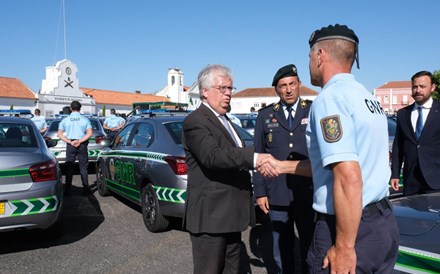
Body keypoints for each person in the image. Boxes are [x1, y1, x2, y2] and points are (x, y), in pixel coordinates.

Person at [258, 24, 399, 273]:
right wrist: (282, 166)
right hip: (381, 222)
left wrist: (344, 248)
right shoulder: (366, 97)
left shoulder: (331, 98)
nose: (309, 62)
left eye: (309, 56)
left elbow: (348, 176)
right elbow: (332, 165)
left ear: (320, 55)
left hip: (350, 226)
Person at [183, 64, 271, 274]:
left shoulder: (226, 121)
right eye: (222, 88)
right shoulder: (195, 121)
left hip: (230, 216)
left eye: (230, 88)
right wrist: (256, 158)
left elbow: (234, 158)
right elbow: (212, 156)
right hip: (211, 219)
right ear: (204, 92)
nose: (228, 94)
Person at [253, 64, 314, 273]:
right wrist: (260, 192)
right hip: (277, 193)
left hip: (308, 192)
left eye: (292, 84)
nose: (288, 89)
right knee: (281, 247)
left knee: (310, 245)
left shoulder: (313, 110)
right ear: (276, 90)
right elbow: (258, 156)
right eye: (283, 86)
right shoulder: (265, 115)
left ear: (299, 85)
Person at [390, 71, 440, 195]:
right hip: (410, 181)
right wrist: (395, 174)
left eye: (422, 86)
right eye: (415, 87)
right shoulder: (403, 114)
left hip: (436, 180)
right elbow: (398, 146)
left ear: (432, 88)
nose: (418, 90)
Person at [57, 101, 93, 195]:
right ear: (80, 108)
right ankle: (86, 189)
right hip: (82, 144)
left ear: (70, 108)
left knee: (69, 167)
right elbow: (89, 133)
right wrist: (80, 141)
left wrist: (70, 142)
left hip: (70, 145)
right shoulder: (85, 119)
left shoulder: (65, 120)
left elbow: (59, 134)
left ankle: (67, 190)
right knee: (83, 168)